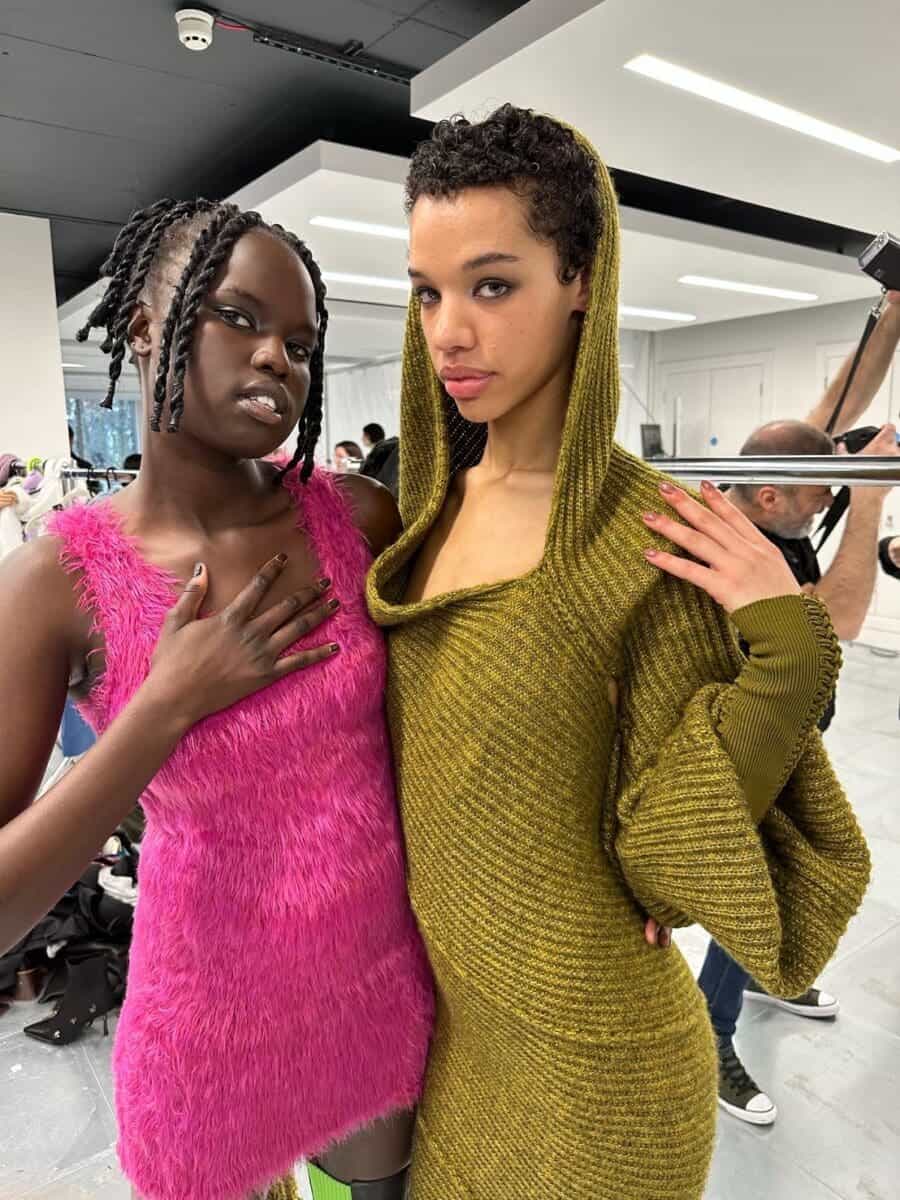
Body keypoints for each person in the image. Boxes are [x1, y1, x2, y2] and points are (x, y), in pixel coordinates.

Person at [366, 105, 870, 1199]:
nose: (450, 331)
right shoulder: (414, 516)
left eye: (492, 285)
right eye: (429, 291)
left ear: (581, 281)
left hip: (600, 1077)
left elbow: (673, 853)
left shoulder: (649, 538)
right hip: (447, 1048)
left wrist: (785, 651)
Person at [0, 199, 433, 1200]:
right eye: (237, 317)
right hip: (206, 1013)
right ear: (145, 329)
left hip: (373, 983)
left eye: (301, 344)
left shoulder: (358, 518)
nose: (277, 357)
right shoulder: (55, 584)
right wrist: (165, 707)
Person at [698, 323, 900, 1124]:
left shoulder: (769, 493)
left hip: (792, 735)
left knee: (782, 867)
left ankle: (759, 976)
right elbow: (836, 621)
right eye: (820, 490)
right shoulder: (743, 549)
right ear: (771, 497)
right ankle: (711, 1033)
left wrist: (890, 313)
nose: (830, 497)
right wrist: (870, 503)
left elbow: (834, 407)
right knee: (754, 883)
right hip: (746, 751)